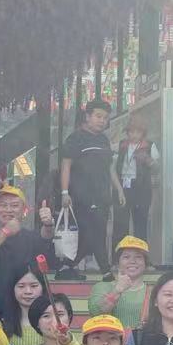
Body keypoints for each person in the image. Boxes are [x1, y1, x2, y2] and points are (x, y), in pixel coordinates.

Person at [0, 184, 55, 321]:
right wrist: (5, 232)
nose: (8, 210)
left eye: (14, 205)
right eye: (3, 205)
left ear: (24, 210)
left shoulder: (32, 238)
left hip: (30, 315)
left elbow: (47, 250)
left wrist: (48, 225)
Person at [59, 100, 122, 278]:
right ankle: (106, 271)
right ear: (87, 117)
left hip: (103, 196)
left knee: (94, 233)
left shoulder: (103, 140)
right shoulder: (76, 138)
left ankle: (67, 267)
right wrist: (65, 192)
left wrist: (118, 189)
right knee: (94, 232)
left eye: (105, 118)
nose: (102, 121)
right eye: (98, 116)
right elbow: (66, 166)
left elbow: (110, 168)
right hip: (82, 195)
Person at [88, 236, 151, 330]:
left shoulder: (153, 292)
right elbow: (96, 313)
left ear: (145, 264)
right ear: (117, 263)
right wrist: (117, 290)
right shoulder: (102, 287)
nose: (132, 261)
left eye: (138, 257)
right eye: (126, 257)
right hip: (111, 338)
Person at [112, 119, 159, 242]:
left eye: (138, 132)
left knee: (140, 225)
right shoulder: (121, 145)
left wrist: (147, 160)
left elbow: (157, 168)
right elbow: (111, 165)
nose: (134, 135)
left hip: (141, 188)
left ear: (143, 133)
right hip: (123, 186)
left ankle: (140, 253)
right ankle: (119, 253)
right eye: (131, 132)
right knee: (120, 225)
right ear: (127, 132)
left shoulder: (149, 146)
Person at [2, 267, 50, 345]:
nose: (28, 291)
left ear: (43, 287)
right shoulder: (0, 326)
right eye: (21, 286)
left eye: (34, 286)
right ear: (12, 289)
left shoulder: (53, 323)